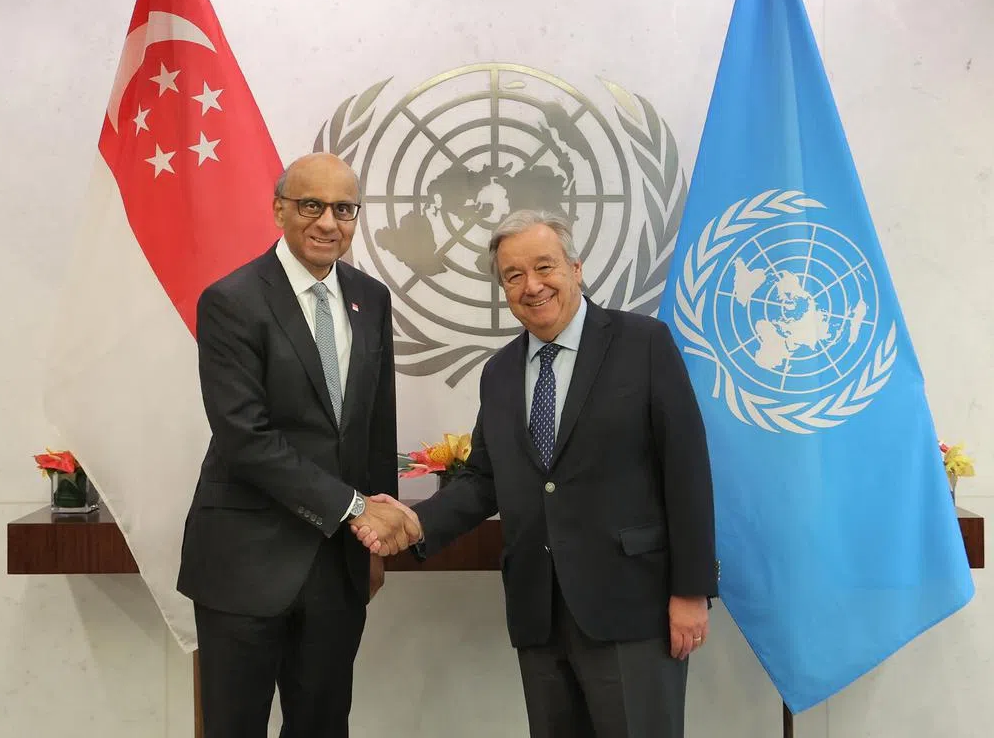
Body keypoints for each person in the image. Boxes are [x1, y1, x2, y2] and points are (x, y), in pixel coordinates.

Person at [356, 208, 718, 738]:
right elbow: (483, 479)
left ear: (575, 268)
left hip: (631, 607)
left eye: (544, 267)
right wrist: (415, 522)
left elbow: (686, 470)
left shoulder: (643, 345)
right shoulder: (500, 372)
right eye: (513, 275)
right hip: (539, 614)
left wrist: (690, 591)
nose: (532, 286)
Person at [177, 153, 417, 738]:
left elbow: (374, 426)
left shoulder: (371, 298)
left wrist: (374, 543)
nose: (327, 222)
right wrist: (358, 509)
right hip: (245, 561)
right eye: (311, 205)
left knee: (324, 725)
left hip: (337, 564)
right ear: (280, 208)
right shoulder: (232, 301)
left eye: (343, 209)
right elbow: (246, 439)